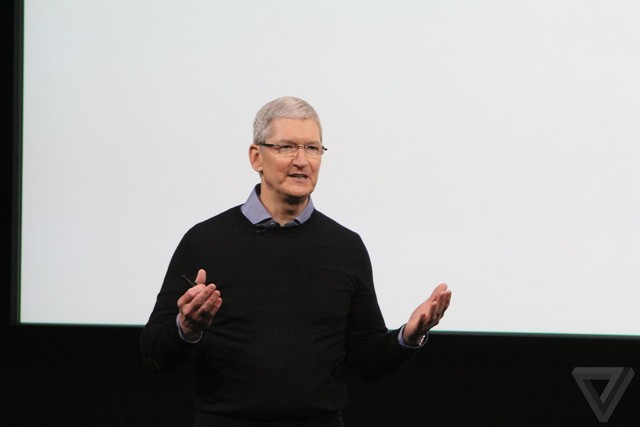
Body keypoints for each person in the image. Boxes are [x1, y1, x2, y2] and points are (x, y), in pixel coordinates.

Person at [140, 96, 451, 427]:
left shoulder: (345, 247)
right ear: (256, 157)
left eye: (312, 149)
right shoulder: (205, 241)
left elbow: (367, 362)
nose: (302, 161)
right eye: (287, 147)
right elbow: (154, 355)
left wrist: (409, 335)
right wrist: (186, 328)